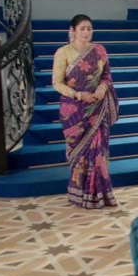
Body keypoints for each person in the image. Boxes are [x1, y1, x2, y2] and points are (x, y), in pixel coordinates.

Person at [52, 14, 119, 209]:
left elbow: (107, 76)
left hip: (97, 108)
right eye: (82, 28)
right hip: (74, 111)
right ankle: (80, 193)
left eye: (89, 28)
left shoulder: (100, 50)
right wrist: (79, 95)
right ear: (73, 31)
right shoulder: (63, 53)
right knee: (79, 155)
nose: (86, 32)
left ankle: (100, 194)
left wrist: (102, 89)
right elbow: (57, 83)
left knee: (98, 154)